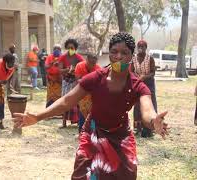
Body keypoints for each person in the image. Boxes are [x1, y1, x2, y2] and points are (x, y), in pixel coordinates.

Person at [13, 32, 169, 179]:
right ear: (109, 53)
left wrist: (153, 120)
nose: (119, 57)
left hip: (121, 137)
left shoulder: (137, 85)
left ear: (131, 56)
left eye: (125, 53)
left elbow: (147, 110)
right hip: (93, 133)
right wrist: (38, 116)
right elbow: (67, 100)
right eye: (114, 52)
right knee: (83, 175)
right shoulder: (96, 78)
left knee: (126, 175)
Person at [131, 40, 157, 138]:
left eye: (143, 46)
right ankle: (138, 128)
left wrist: (144, 77)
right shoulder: (134, 59)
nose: (141, 48)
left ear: (146, 48)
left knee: (150, 104)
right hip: (138, 83)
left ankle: (150, 127)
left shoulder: (150, 59)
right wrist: (137, 77)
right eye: (139, 46)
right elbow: (131, 71)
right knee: (137, 104)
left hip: (149, 83)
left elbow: (153, 72)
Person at [59, 38, 85, 127]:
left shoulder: (79, 58)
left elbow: (83, 69)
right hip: (66, 82)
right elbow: (60, 70)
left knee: (76, 100)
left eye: (72, 48)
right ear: (66, 48)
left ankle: (78, 122)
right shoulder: (62, 57)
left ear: (75, 48)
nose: (71, 49)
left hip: (75, 81)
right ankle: (64, 123)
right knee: (65, 100)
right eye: (69, 48)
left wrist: (75, 71)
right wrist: (67, 70)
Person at [75, 53, 101, 133]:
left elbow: (100, 83)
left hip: (93, 95)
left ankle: (93, 131)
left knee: (93, 114)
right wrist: (88, 82)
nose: (92, 65)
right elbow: (78, 80)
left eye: (94, 63)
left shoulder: (98, 68)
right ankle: (81, 131)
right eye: (91, 63)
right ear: (87, 60)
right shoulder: (79, 66)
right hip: (82, 94)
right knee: (82, 112)